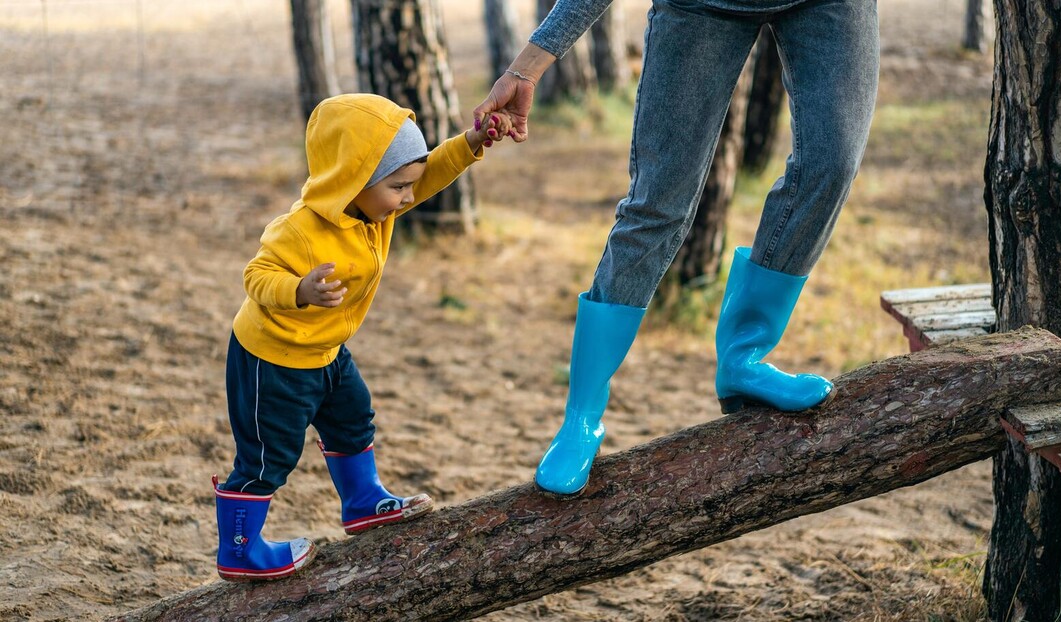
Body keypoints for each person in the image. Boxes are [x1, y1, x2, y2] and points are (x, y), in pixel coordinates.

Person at [474, 0, 879, 496]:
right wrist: (529, 67)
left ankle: (743, 359)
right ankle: (581, 419)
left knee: (830, 168)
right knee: (657, 206)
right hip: (701, 7)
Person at [212, 93, 512, 581]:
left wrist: (472, 142)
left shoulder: (376, 207)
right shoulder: (301, 230)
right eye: (398, 187)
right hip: (274, 359)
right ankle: (240, 549)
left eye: (407, 186)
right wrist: (299, 290)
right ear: (353, 180)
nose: (408, 198)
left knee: (353, 417)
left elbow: (428, 173)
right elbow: (255, 275)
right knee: (270, 456)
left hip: (327, 351)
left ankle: (363, 501)